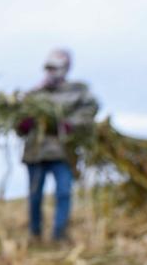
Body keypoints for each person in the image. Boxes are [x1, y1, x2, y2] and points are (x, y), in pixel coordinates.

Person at [16, 48, 98, 243]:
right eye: (49, 68)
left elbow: (90, 111)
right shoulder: (34, 95)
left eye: (55, 68)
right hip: (36, 152)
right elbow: (18, 125)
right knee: (35, 196)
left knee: (63, 193)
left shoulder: (78, 92)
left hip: (63, 152)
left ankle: (59, 234)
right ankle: (34, 234)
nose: (51, 72)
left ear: (65, 68)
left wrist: (71, 124)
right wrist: (23, 125)